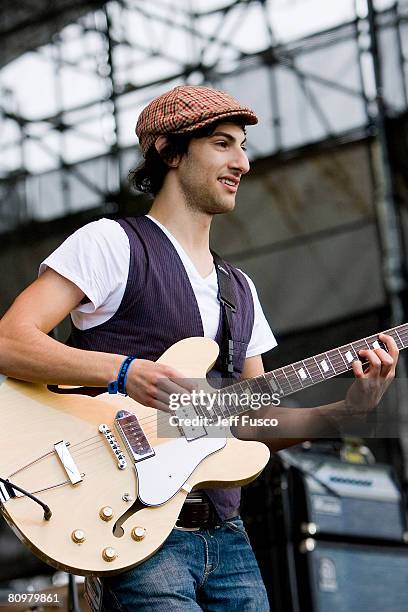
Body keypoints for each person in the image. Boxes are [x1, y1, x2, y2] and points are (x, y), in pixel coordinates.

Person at [0, 85, 399, 611]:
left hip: (227, 537)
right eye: (222, 143)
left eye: (244, 146)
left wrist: (349, 410)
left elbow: (252, 421)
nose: (243, 162)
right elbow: (10, 341)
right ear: (169, 151)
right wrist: (124, 372)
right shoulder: (111, 242)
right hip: (130, 526)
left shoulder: (241, 290)